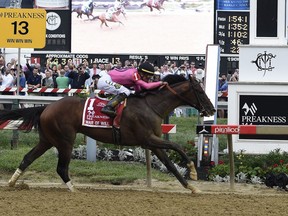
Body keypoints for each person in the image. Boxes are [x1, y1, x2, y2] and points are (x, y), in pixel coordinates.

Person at [97, 62, 167, 117]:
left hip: (108, 80)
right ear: (142, 73)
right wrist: (160, 83)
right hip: (105, 80)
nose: (148, 78)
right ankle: (108, 107)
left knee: (128, 92)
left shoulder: (136, 76)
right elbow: (147, 86)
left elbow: (138, 92)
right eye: (148, 76)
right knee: (126, 91)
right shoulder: (135, 74)